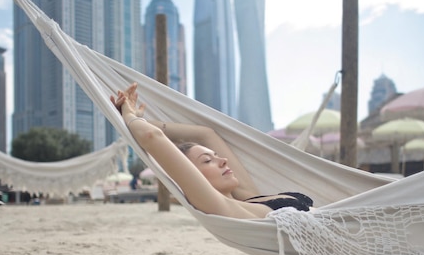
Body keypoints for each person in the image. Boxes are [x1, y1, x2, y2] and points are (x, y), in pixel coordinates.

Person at [111, 83, 312, 219]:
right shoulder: (220, 206)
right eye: (207, 161)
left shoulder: (246, 196)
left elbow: (207, 134)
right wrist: (128, 116)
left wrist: (142, 120)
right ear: (191, 176)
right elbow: (151, 138)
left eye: (215, 157)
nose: (223, 160)